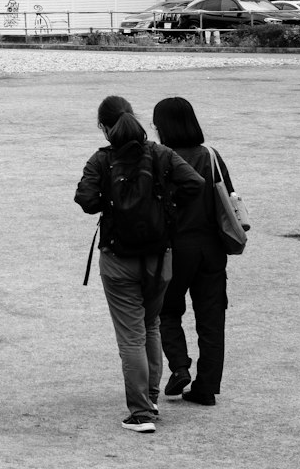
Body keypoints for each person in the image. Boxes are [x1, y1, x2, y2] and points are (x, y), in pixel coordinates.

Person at [75, 95, 203, 433]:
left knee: (131, 336)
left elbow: (85, 199)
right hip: (159, 256)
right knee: (151, 326)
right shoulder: (161, 154)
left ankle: (141, 412)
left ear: (104, 127)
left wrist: (112, 203)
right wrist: (166, 205)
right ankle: (151, 398)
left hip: (118, 258)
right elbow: (195, 183)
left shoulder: (101, 160)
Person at [152, 96, 237, 407]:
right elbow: (229, 196)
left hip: (175, 248)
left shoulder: (161, 157)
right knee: (212, 319)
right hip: (212, 247)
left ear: (164, 126)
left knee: (166, 311)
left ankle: (179, 366)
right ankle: (207, 387)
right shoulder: (211, 156)